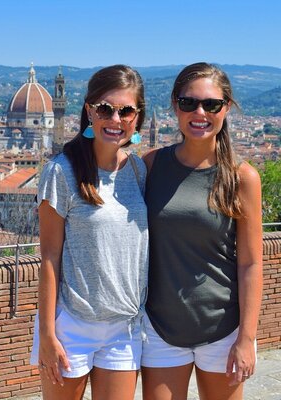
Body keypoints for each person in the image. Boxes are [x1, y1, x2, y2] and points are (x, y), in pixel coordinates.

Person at [141, 62, 263, 400]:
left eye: (211, 104)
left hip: (223, 329)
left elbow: (251, 264)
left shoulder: (242, 177)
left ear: (226, 108)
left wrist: (247, 339)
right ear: (175, 107)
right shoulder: (151, 166)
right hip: (160, 327)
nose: (200, 112)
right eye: (188, 103)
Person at [30, 64, 149, 400]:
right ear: (89, 112)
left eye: (126, 110)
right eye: (105, 109)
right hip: (71, 326)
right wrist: (48, 335)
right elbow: (49, 257)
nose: (115, 119)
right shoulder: (61, 171)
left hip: (124, 327)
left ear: (137, 117)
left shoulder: (138, 171)